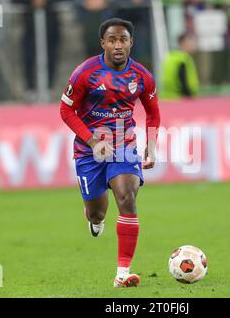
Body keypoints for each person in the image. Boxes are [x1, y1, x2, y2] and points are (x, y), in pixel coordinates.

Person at [59, 18, 160, 287]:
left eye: (123, 40)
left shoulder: (141, 76)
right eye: (112, 40)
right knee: (98, 213)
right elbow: (66, 111)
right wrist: (93, 142)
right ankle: (92, 215)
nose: (118, 45)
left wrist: (150, 146)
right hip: (88, 150)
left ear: (131, 43)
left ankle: (122, 273)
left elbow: (153, 114)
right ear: (103, 43)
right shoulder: (85, 73)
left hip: (124, 146)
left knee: (127, 198)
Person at [160, 33, 199, 100]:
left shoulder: (171, 57)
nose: (193, 45)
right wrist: (189, 97)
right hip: (180, 99)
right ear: (183, 43)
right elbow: (183, 80)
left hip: (166, 98)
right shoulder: (182, 59)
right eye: (191, 42)